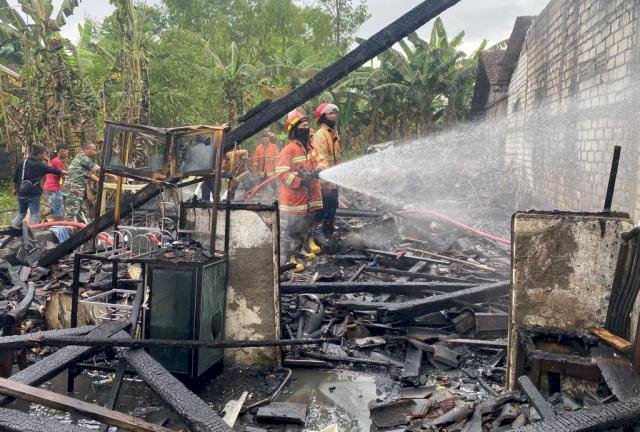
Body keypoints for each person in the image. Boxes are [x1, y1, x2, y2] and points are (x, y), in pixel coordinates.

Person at [275, 110, 326, 272]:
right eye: (304, 126)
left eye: (307, 125)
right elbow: (281, 171)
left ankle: (299, 252)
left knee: (305, 226)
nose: (307, 128)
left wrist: (319, 169)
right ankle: (290, 259)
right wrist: (299, 180)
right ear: (295, 129)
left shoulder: (310, 148)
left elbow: (320, 161)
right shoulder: (289, 149)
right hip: (294, 200)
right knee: (292, 231)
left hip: (308, 198)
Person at [11, 145, 65, 227]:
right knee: (34, 214)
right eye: (44, 154)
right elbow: (55, 171)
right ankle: (34, 232)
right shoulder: (40, 165)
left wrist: (14, 190)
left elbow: (15, 178)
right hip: (33, 194)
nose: (45, 156)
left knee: (21, 213)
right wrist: (67, 172)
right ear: (39, 154)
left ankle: (11, 229)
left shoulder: (22, 162)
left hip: (21, 192)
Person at [311, 103, 342, 246]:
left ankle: (328, 235)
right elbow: (320, 160)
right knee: (323, 210)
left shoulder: (333, 135)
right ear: (323, 117)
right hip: (324, 183)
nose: (334, 115)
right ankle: (319, 237)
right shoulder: (320, 136)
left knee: (332, 206)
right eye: (330, 113)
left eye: (334, 113)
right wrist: (327, 183)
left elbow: (336, 159)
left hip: (332, 181)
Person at [64, 142, 115, 222]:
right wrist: (114, 176)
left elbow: (90, 175)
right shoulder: (83, 158)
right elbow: (99, 170)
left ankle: (84, 231)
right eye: (94, 149)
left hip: (79, 190)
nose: (95, 151)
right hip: (73, 189)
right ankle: (68, 231)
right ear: (86, 149)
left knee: (83, 212)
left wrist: (102, 182)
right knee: (71, 212)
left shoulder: (83, 159)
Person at [43, 143, 69, 221]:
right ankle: (59, 226)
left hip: (47, 187)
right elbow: (61, 174)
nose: (67, 154)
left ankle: (41, 215)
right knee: (59, 210)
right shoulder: (57, 161)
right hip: (54, 188)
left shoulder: (51, 160)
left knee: (55, 207)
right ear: (62, 151)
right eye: (67, 152)